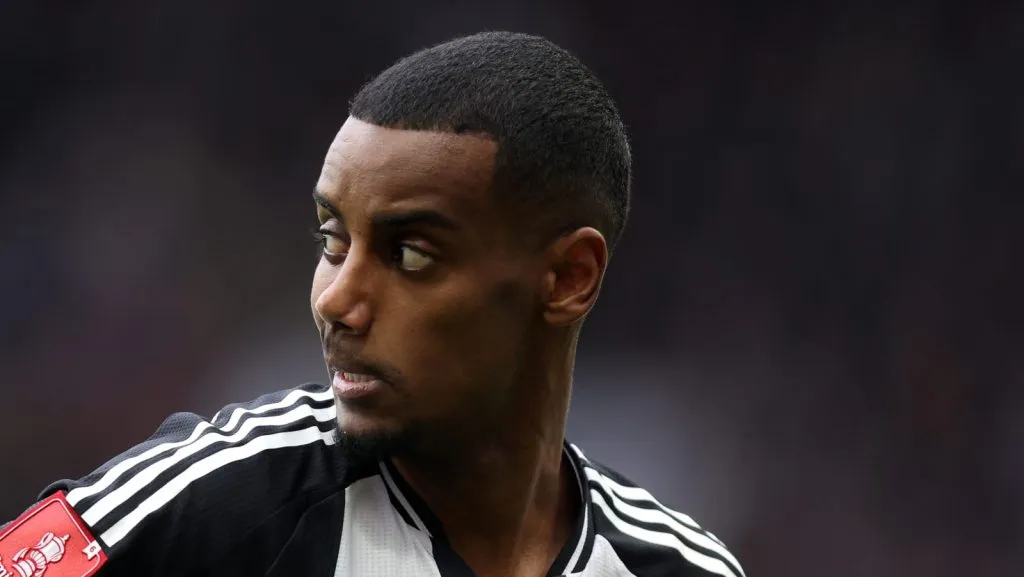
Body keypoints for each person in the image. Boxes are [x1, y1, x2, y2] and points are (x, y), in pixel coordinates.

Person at [1, 32, 745, 577]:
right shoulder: (221, 500)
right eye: (332, 241)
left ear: (568, 277)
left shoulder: (684, 567)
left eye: (410, 254)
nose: (336, 299)